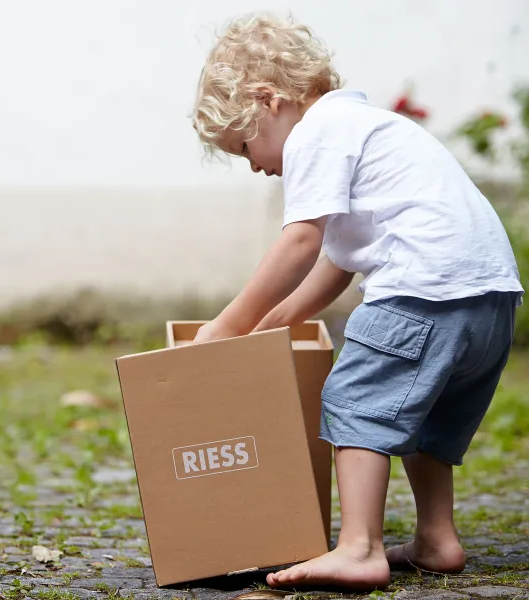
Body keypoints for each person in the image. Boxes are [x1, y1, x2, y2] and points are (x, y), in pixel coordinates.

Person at [191, 13, 524, 591]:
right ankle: (436, 539)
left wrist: (226, 325)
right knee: (426, 416)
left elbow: (301, 242)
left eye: (244, 147)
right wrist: (273, 324)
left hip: (420, 292)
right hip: (488, 299)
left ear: (268, 101)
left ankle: (358, 548)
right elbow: (338, 263)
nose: (256, 166)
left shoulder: (318, 132)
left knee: (354, 400)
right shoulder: (367, 127)